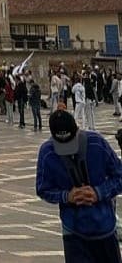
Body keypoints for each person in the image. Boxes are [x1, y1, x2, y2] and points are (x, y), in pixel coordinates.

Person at [36, 109, 122, 262]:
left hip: (104, 229)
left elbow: (119, 176)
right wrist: (67, 196)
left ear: (77, 130)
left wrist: (99, 192)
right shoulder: (47, 153)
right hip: (73, 232)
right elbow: (43, 189)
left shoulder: (97, 143)